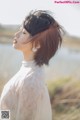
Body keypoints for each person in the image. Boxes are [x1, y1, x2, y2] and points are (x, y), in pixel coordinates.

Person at [0, 10, 62, 120]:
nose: (16, 34)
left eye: (23, 33)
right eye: (19, 30)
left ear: (37, 44)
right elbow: (7, 110)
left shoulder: (30, 80)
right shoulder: (28, 70)